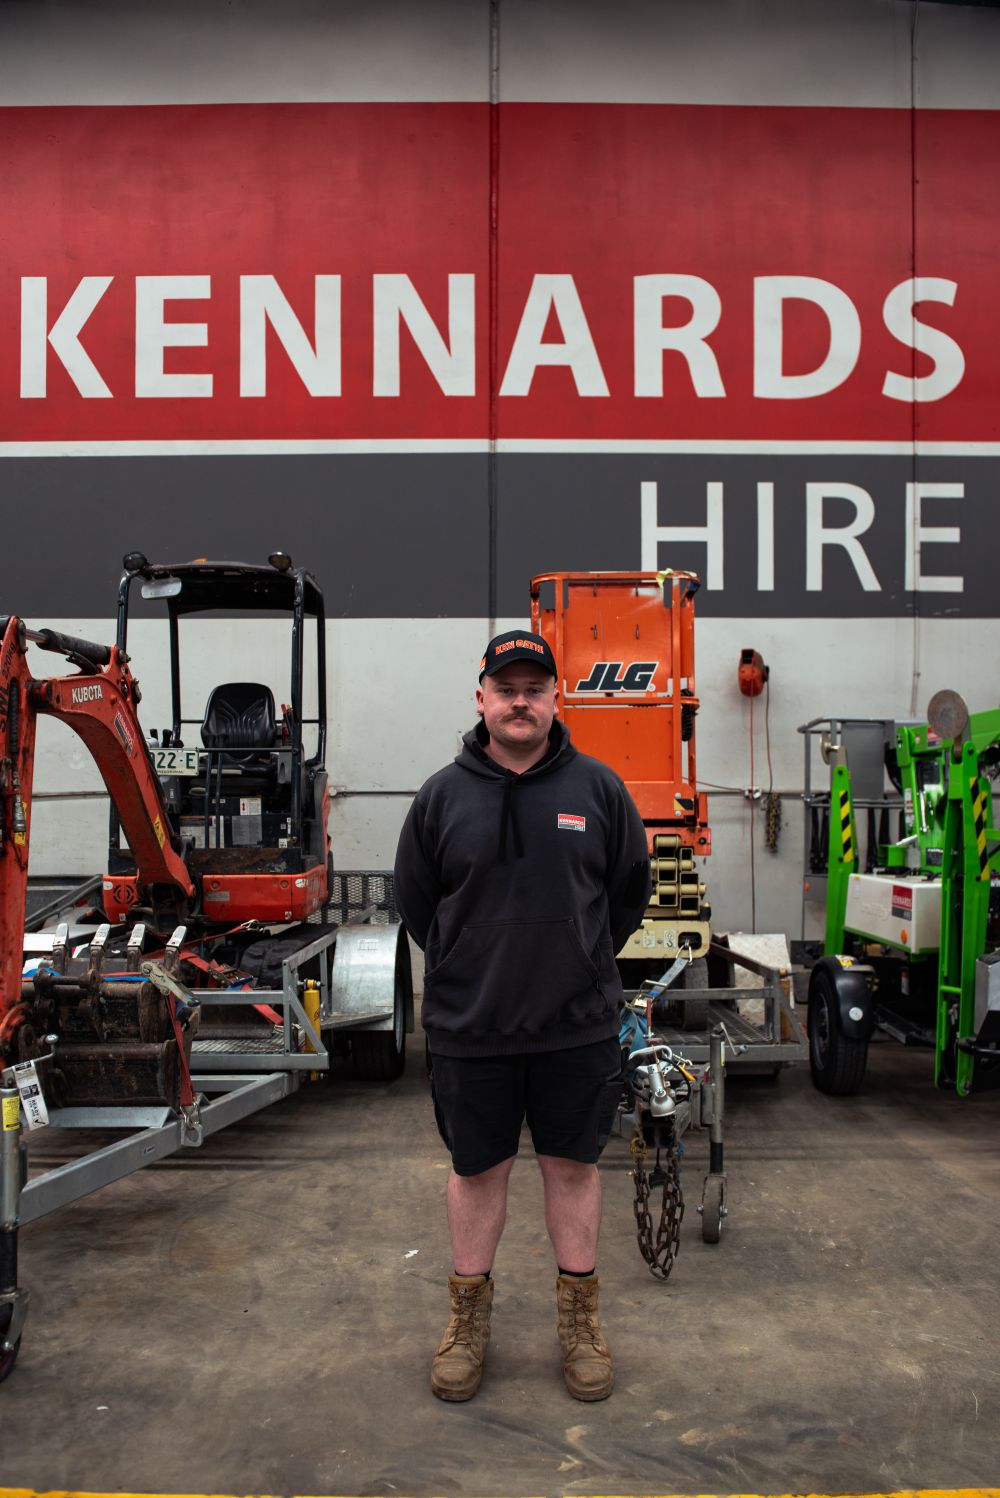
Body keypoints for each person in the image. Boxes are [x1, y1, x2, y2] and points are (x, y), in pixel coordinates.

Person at [394, 629, 651, 1403]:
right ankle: (467, 1324)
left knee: (573, 1168)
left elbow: (627, 894)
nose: (519, 702)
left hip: (575, 1026)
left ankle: (580, 1325)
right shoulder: (441, 797)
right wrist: (472, 963)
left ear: (554, 698)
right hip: (471, 1027)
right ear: (481, 699)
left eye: (534, 689)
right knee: (476, 1172)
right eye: (505, 689)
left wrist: (578, 959)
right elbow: (418, 905)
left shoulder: (599, 790)